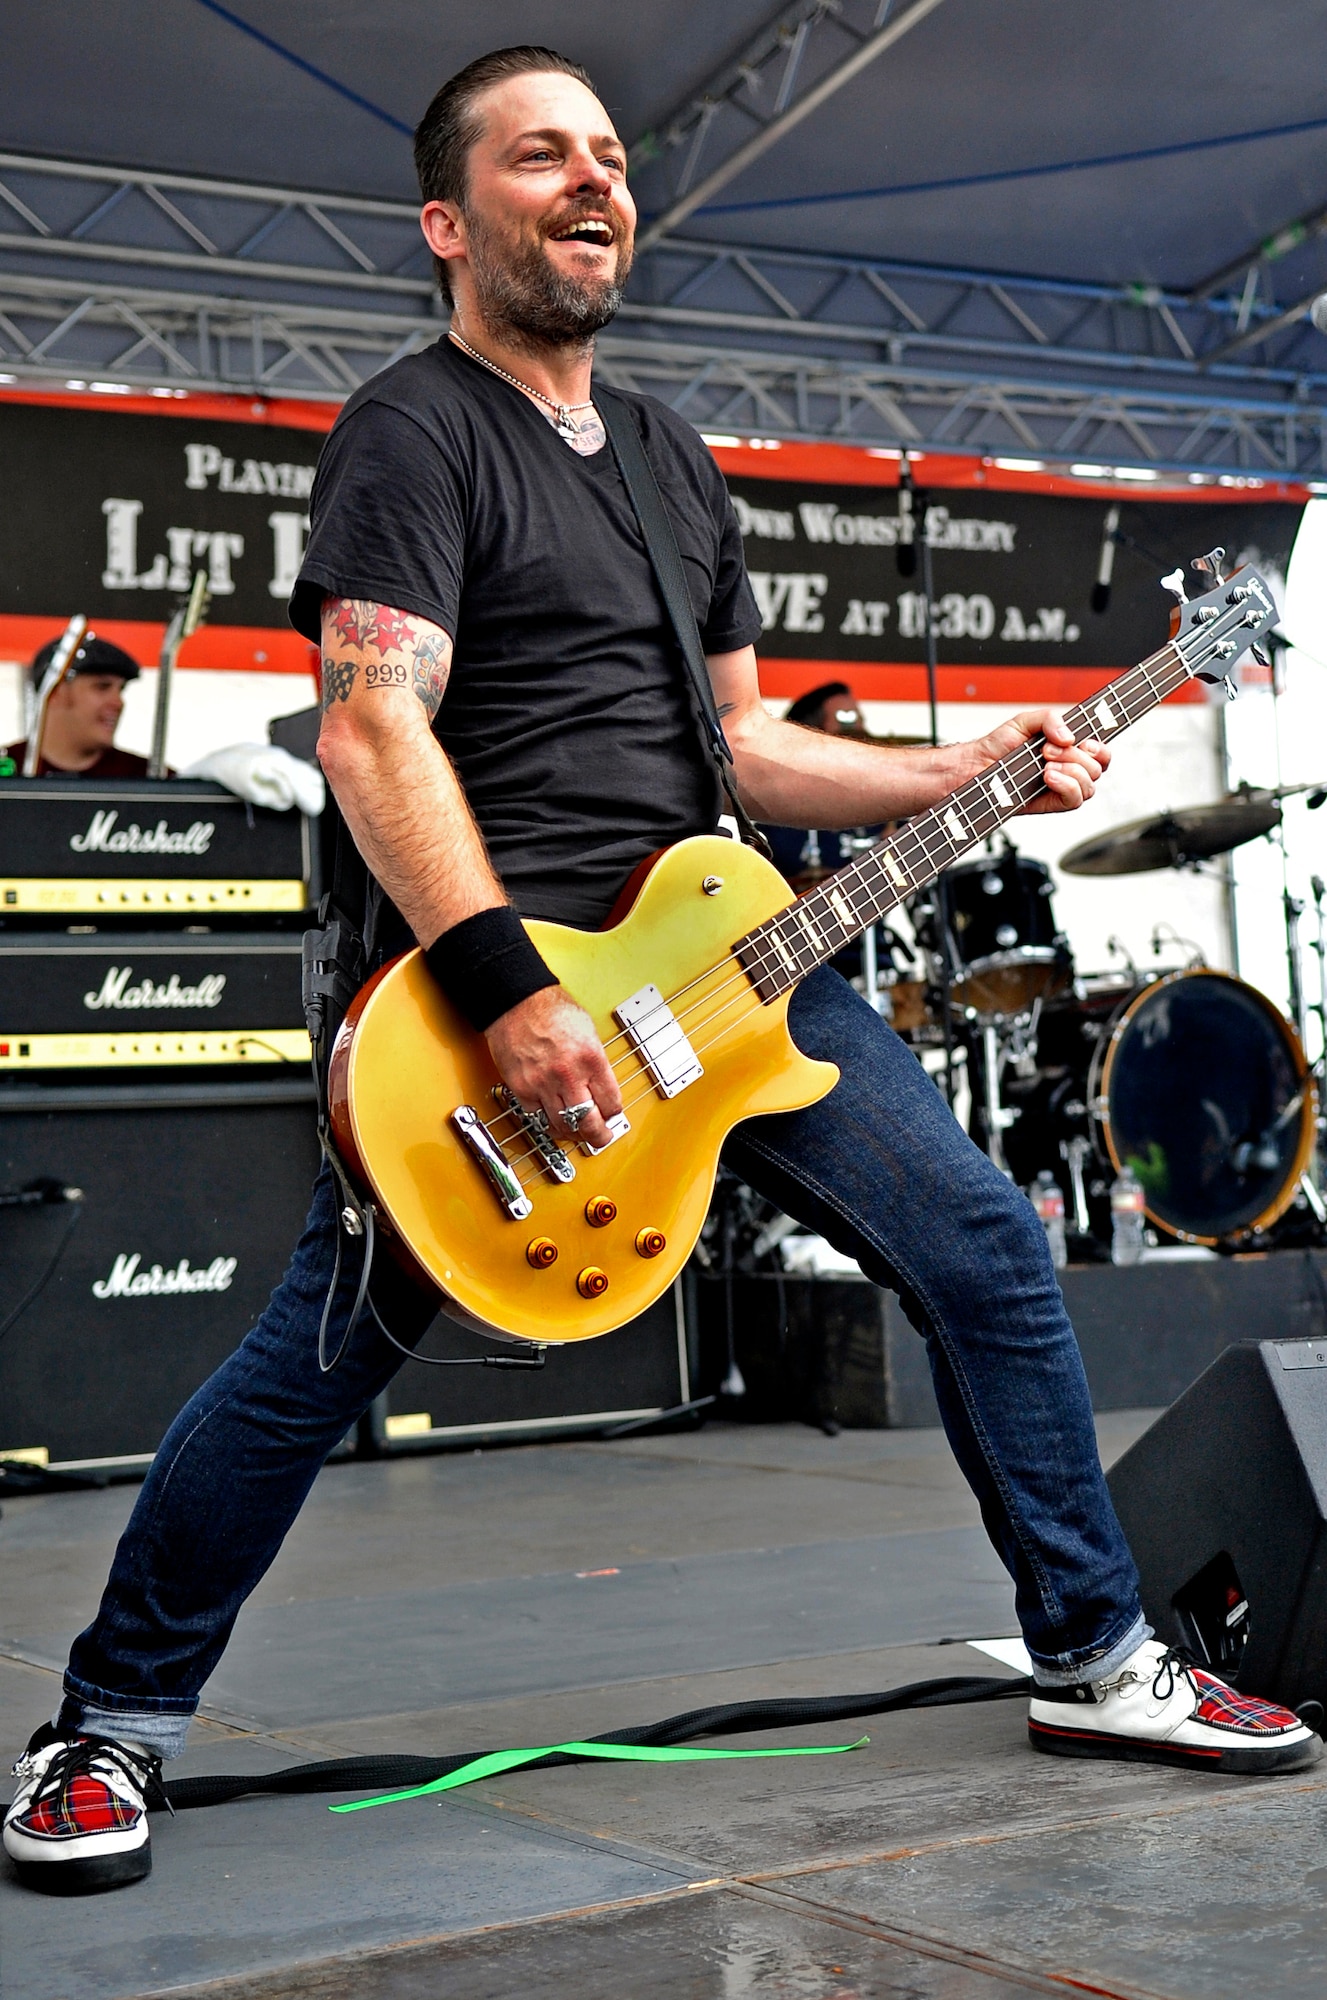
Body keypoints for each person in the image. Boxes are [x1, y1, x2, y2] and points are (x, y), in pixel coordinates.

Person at [5, 43, 1316, 1898]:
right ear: (451, 224)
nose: (594, 179)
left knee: (989, 1253)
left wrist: (972, 770)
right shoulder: (413, 429)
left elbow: (748, 753)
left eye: (609, 154)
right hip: (496, 996)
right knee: (315, 1363)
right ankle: (104, 1730)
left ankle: (1097, 1656)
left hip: (738, 977)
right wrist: (504, 991)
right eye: (542, 156)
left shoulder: (676, 462)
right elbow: (376, 732)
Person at [3, 634, 150, 777]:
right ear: (54, 693)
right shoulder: (7, 768)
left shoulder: (148, 777)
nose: (118, 702)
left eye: (121, 689)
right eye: (102, 687)